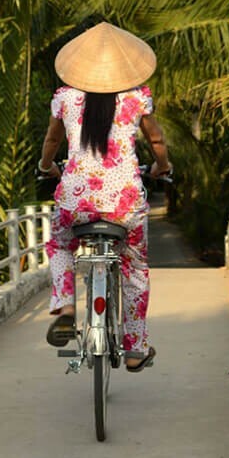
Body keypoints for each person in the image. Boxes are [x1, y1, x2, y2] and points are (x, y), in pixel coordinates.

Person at [38, 22, 172, 372]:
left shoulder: (64, 98)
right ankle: (134, 348)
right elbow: (156, 141)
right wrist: (162, 165)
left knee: (60, 245)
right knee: (135, 267)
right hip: (124, 202)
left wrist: (47, 165)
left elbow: (52, 143)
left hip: (75, 201)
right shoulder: (136, 97)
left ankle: (66, 308)